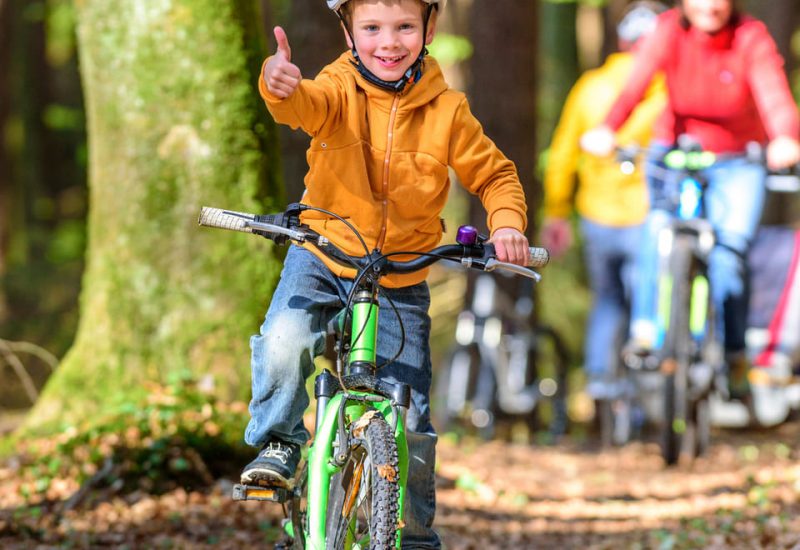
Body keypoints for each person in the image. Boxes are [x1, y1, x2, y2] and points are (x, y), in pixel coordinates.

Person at [240, 0, 530, 547]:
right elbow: (302, 105)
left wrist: (508, 224)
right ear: (349, 32)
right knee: (284, 338)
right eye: (372, 27)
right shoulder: (337, 86)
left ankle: (415, 534)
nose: (388, 42)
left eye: (404, 27)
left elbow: (495, 175)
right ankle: (277, 442)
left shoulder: (448, 110)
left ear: (429, 29)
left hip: (400, 272)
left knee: (413, 422)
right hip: (325, 254)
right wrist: (278, 83)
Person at [581, 0, 800, 395]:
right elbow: (637, 83)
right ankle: (646, 331)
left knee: (729, 253)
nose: (710, 6)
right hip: (675, 150)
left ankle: (733, 352)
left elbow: (773, 93)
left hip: (738, 158)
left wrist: (784, 137)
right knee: (658, 229)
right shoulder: (668, 30)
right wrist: (608, 129)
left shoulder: (750, 37)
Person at [540, 1, 667, 399]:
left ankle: (597, 380)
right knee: (642, 300)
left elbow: (562, 154)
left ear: (621, 40)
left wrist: (557, 212)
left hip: (596, 216)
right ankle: (642, 392)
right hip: (647, 215)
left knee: (607, 301)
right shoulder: (663, 88)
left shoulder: (590, 86)